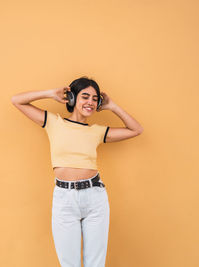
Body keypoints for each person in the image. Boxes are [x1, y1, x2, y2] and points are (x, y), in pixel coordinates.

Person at [11, 76, 143, 267]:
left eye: (95, 99)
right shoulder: (53, 122)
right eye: (85, 96)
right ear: (72, 98)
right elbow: (17, 100)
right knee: (69, 264)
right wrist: (50, 94)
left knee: (95, 264)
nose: (90, 102)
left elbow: (136, 129)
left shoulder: (97, 131)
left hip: (94, 198)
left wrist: (112, 106)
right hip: (65, 199)